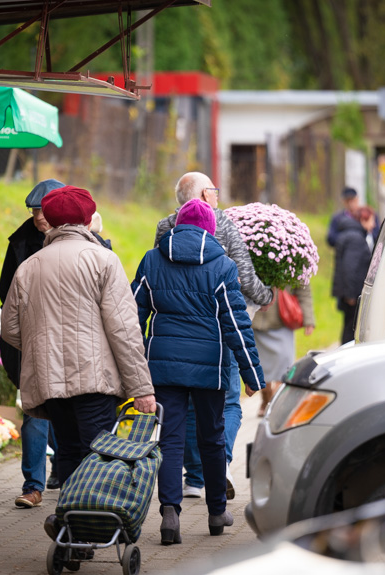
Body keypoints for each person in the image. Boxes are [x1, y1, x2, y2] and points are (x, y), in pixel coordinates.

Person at [0, 185, 157, 537]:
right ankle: (90, 530)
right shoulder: (103, 259)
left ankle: (69, 527)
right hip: (94, 380)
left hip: (49, 382)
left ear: (51, 219)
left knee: (68, 452)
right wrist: (142, 389)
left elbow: (9, 328)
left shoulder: (29, 266)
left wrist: (42, 345)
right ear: (87, 219)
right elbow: (124, 330)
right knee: (98, 455)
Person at [134, 198, 265, 544]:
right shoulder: (222, 266)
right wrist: (252, 376)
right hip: (211, 369)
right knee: (211, 437)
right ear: (210, 228)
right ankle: (216, 511)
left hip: (163, 367)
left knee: (170, 439)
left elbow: (133, 315)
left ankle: (169, 514)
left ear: (177, 225)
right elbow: (237, 325)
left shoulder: (152, 259)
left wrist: (131, 369)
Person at [154, 171, 272, 500]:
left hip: (171, 340)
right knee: (229, 403)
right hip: (217, 333)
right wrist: (267, 296)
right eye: (215, 189)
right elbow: (245, 277)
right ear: (205, 194)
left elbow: (157, 280)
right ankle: (218, 468)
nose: (218, 195)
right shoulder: (223, 223)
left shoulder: (165, 227)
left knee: (183, 415)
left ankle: (191, 483)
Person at [0, 178, 65, 509]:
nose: (38, 216)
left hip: (71, 341)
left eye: (43, 209)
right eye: (34, 210)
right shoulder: (21, 242)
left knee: (65, 412)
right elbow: (4, 292)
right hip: (34, 339)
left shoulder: (86, 241)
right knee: (36, 412)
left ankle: (66, 474)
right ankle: (33, 486)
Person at [252, 286, 316, 417]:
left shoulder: (294, 264)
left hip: (283, 319)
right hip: (257, 319)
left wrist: (308, 319)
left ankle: (277, 405)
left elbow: (303, 288)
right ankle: (266, 399)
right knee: (261, 367)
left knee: (284, 367)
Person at [332, 205, 376, 344]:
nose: (374, 224)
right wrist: (351, 295)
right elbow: (350, 267)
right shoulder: (356, 238)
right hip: (352, 294)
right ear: (363, 219)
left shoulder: (351, 234)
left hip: (348, 291)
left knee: (348, 327)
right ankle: (345, 360)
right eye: (371, 220)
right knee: (351, 329)